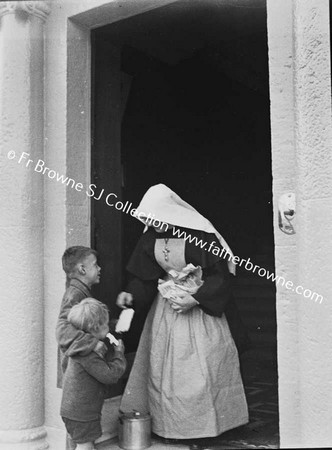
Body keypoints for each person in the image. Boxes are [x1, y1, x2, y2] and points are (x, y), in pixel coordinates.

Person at [117, 184, 249, 439]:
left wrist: (195, 298)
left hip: (199, 309)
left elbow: (220, 275)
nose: (150, 223)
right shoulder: (150, 237)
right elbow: (144, 276)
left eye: (154, 218)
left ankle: (206, 427)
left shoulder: (200, 234)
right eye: (147, 219)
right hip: (166, 310)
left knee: (201, 370)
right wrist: (131, 293)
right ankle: (170, 425)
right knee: (162, 370)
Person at [56, 246, 107, 449]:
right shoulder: (75, 295)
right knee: (83, 438)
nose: (100, 268)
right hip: (76, 373)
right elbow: (62, 331)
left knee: (78, 438)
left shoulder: (79, 292)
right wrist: (93, 343)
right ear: (82, 269)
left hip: (77, 373)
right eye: (95, 265)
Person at [60, 298, 126, 450]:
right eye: (106, 324)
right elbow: (110, 376)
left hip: (72, 410)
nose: (108, 329)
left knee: (81, 444)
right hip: (83, 414)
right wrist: (118, 355)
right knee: (86, 446)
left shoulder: (77, 347)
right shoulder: (89, 354)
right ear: (96, 327)